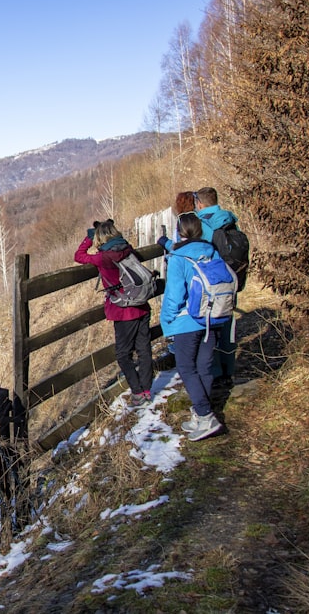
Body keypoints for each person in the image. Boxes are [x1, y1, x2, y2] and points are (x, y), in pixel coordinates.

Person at [74, 219, 155, 408]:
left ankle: (137, 391)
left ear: (100, 237)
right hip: (142, 305)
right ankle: (147, 389)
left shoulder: (103, 258)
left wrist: (88, 238)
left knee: (123, 353)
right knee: (143, 349)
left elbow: (79, 256)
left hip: (124, 310)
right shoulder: (127, 249)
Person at [159, 213, 226, 441]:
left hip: (187, 321)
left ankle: (206, 415)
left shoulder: (178, 258)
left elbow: (175, 296)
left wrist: (167, 320)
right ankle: (200, 414)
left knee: (187, 368)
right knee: (204, 367)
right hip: (212, 317)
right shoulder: (211, 251)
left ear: (180, 231)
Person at [193, 187, 241, 389]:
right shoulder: (229, 219)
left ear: (200, 204)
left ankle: (213, 375)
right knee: (228, 325)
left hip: (212, 283)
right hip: (231, 279)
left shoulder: (203, 224)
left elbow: (197, 251)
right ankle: (228, 371)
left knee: (210, 330)